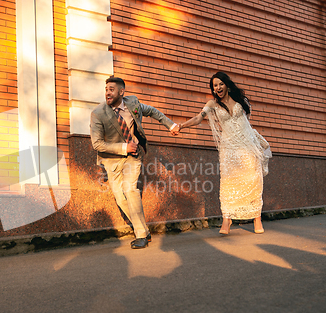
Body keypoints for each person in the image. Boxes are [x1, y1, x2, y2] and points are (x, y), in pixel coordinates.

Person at [176, 72, 271, 235]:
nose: (218, 87)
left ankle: (257, 219)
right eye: (215, 86)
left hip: (247, 146)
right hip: (229, 150)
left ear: (226, 84)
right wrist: (181, 126)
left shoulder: (240, 100)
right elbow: (199, 118)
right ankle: (226, 221)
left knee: (254, 181)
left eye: (220, 84)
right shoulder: (212, 104)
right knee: (228, 184)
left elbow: (246, 123)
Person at [90, 76, 179, 249]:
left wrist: (171, 125)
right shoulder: (98, 114)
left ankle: (140, 235)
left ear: (121, 92)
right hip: (112, 160)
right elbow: (97, 144)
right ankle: (144, 230)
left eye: (111, 89)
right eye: (106, 89)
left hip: (133, 156)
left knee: (130, 189)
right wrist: (124, 147)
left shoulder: (133, 103)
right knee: (120, 197)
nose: (107, 92)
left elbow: (152, 111)